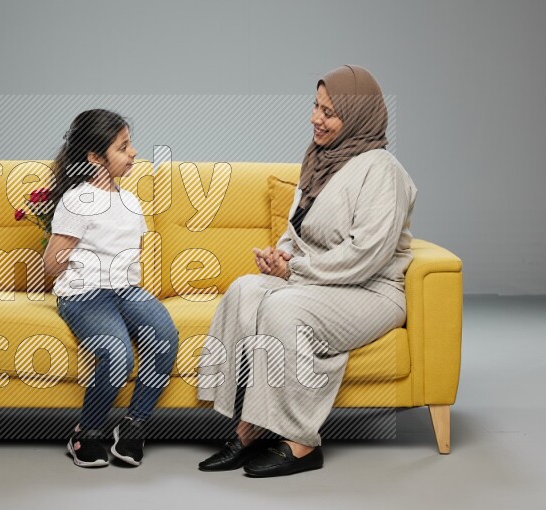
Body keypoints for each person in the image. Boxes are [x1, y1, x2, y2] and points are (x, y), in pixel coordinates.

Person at [196, 65, 418, 477]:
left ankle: (301, 442)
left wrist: (294, 271)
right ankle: (250, 428)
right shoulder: (319, 159)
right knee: (245, 290)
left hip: (370, 291)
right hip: (320, 282)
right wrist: (281, 258)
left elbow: (366, 255)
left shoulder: (382, 170)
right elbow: (296, 231)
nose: (316, 118)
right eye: (316, 106)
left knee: (285, 309)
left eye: (329, 112)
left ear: (357, 117)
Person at [43, 109, 179, 468]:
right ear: (94, 157)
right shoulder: (77, 201)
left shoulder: (131, 202)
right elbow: (51, 266)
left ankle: (134, 426)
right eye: (122, 147)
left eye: (130, 144)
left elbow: (131, 256)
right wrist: (73, 253)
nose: (133, 152)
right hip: (84, 294)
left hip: (125, 290)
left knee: (165, 336)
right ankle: (85, 433)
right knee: (117, 354)